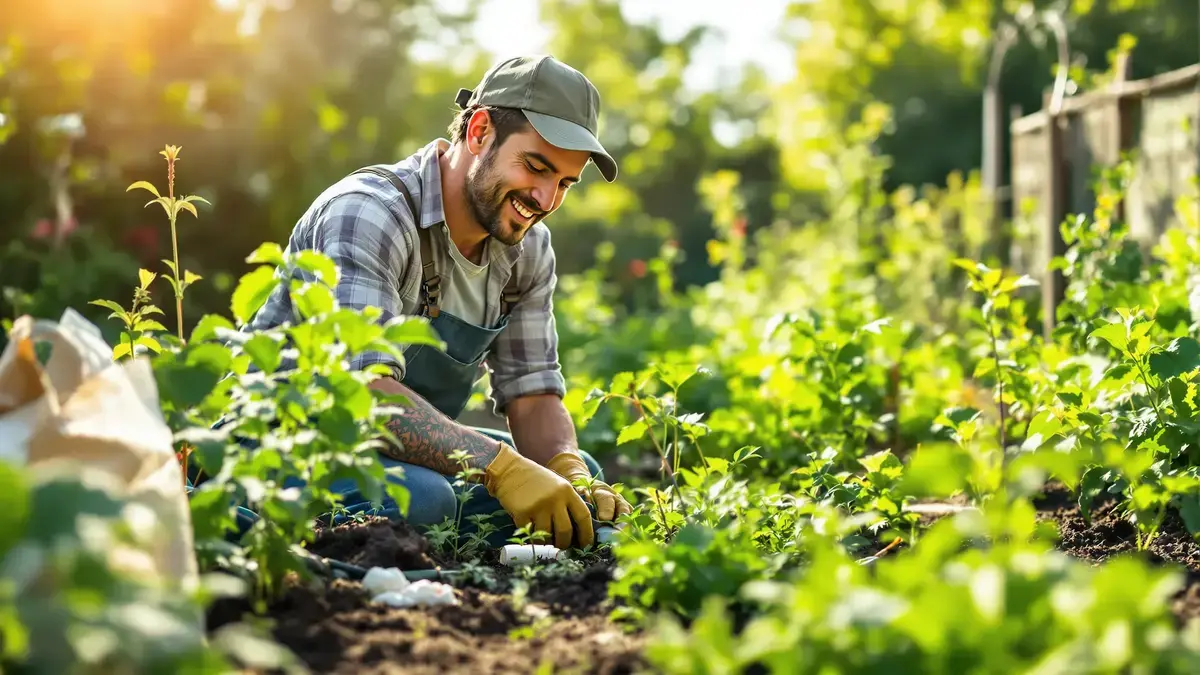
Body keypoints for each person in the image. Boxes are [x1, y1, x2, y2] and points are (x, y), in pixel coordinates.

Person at [242, 55, 632, 550]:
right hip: (281, 447)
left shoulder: (527, 250)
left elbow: (532, 394)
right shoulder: (369, 213)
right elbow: (363, 397)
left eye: (564, 183)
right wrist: (500, 468)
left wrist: (565, 466)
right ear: (479, 132)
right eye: (536, 166)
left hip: (398, 459)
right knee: (427, 499)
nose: (545, 198)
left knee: (572, 486)